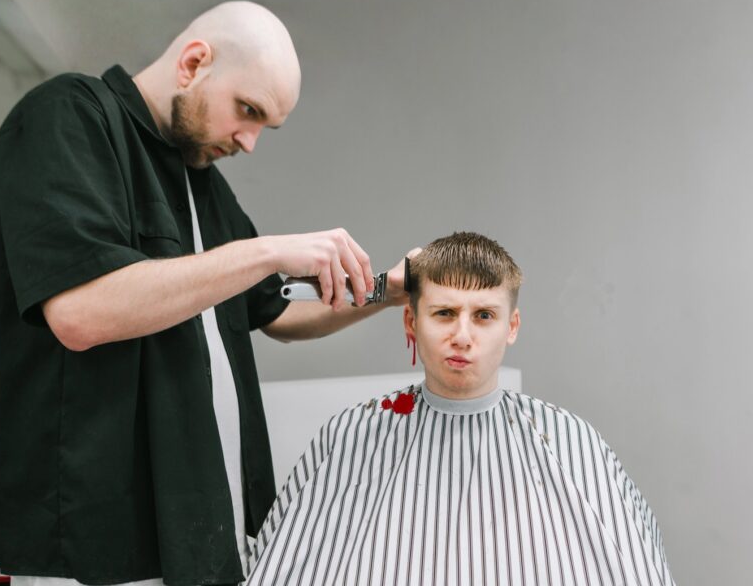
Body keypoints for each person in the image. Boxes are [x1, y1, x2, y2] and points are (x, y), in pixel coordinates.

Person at [0, 0, 410, 586]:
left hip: (200, 531)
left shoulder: (199, 177)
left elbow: (278, 310)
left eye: (265, 126)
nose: (250, 142)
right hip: (94, 543)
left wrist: (391, 290)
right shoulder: (67, 116)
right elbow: (80, 313)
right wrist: (267, 250)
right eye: (248, 110)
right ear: (194, 63)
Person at [246, 232, 676, 586]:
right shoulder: (350, 435)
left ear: (511, 327)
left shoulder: (570, 442)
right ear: (411, 321)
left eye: (484, 315)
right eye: (445, 313)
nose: (463, 336)